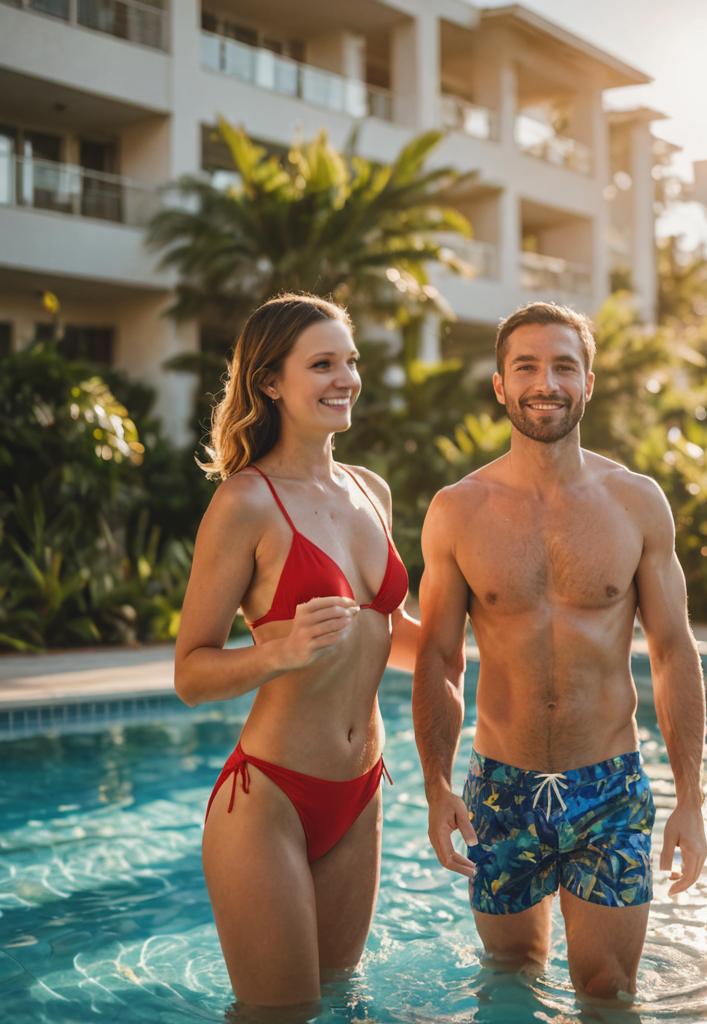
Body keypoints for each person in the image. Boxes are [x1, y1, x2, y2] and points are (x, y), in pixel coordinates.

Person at [412, 301, 707, 1002]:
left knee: (607, 987)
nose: (546, 383)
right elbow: (439, 661)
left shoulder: (636, 503)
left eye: (563, 366)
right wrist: (436, 788)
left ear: (589, 382)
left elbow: (672, 652)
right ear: (500, 385)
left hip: (608, 787)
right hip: (500, 790)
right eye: (527, 367)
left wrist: (692, 799)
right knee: (512, 979)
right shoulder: (458, 509)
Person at [174, 293, 417, 1010]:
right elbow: (191, 673)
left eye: (350, 362)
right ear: (271, 382)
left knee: (339, 999)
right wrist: (274, 653)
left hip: (363, 792)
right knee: (282, 1013)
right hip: (271, 799)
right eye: (322, 364)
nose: (345, 378)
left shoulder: (371, 491)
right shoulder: (245, 502)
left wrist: (494, 638)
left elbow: (388, 631)